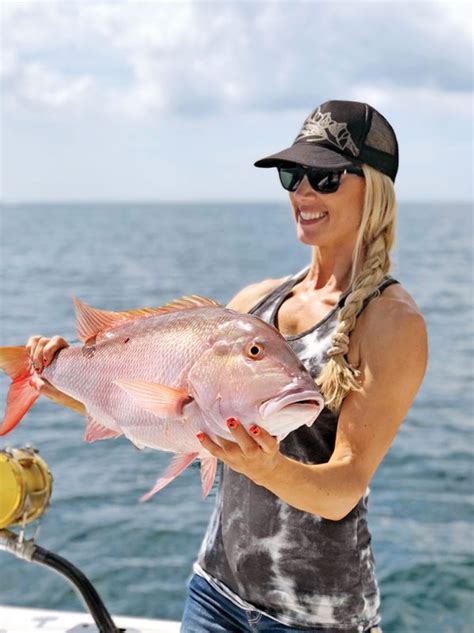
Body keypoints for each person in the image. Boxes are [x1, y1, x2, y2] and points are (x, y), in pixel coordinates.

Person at [26, 100, 428, 632]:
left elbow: (345, 488)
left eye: (325, 177)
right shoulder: (256, 302)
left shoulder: (390, 321)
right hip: (214, 594)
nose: (303, 192)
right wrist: (55, 377)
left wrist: (264, 465)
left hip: (316, 618)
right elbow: (157, 410)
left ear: (373, 188)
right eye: (293, 175)